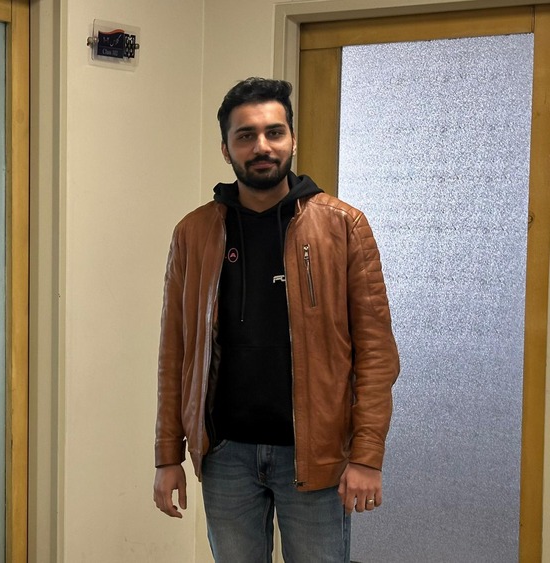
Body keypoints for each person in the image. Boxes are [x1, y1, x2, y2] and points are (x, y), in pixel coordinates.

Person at [152, 78, 400, 562]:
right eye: (245, 135)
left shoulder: (343, 226)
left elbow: (377, 354)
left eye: (274, 132)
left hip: (317, 457)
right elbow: (174, 353)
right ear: (226, 149)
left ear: (292, 140)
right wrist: (168, 455)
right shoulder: (195, 232)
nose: (261, 146)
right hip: (225, 456)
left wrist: (367, 455)